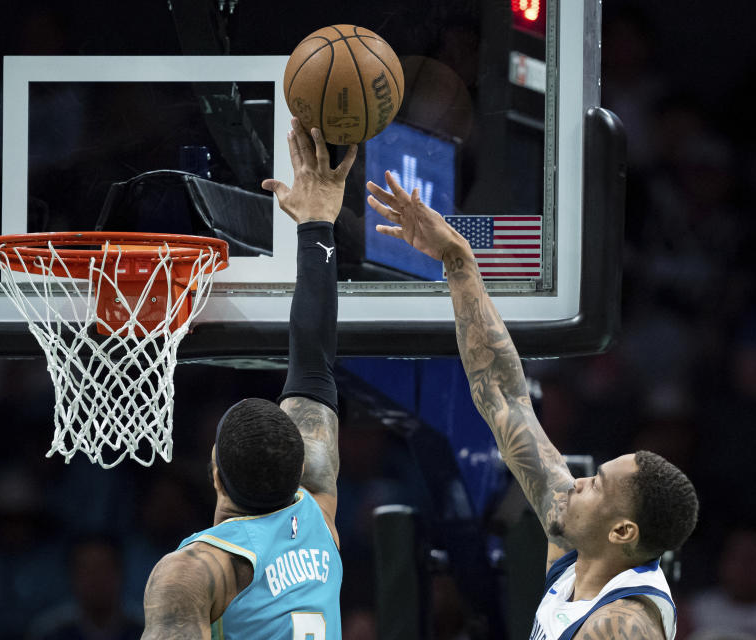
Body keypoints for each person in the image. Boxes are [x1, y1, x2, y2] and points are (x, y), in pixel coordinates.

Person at [367, 173, 699, 640]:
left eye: (598, 486)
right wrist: (458, 258)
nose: (579, 480)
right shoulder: (577, 545)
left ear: (622, 532)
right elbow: (506, 397)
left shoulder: (621, 626)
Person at [140, 118, 356, 640]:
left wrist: (317, 223)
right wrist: (318, 225)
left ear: (214, 470)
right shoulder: (318, 515)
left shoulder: (193, 573)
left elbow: (313, 359)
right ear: (300, 467)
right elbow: (313, 362)